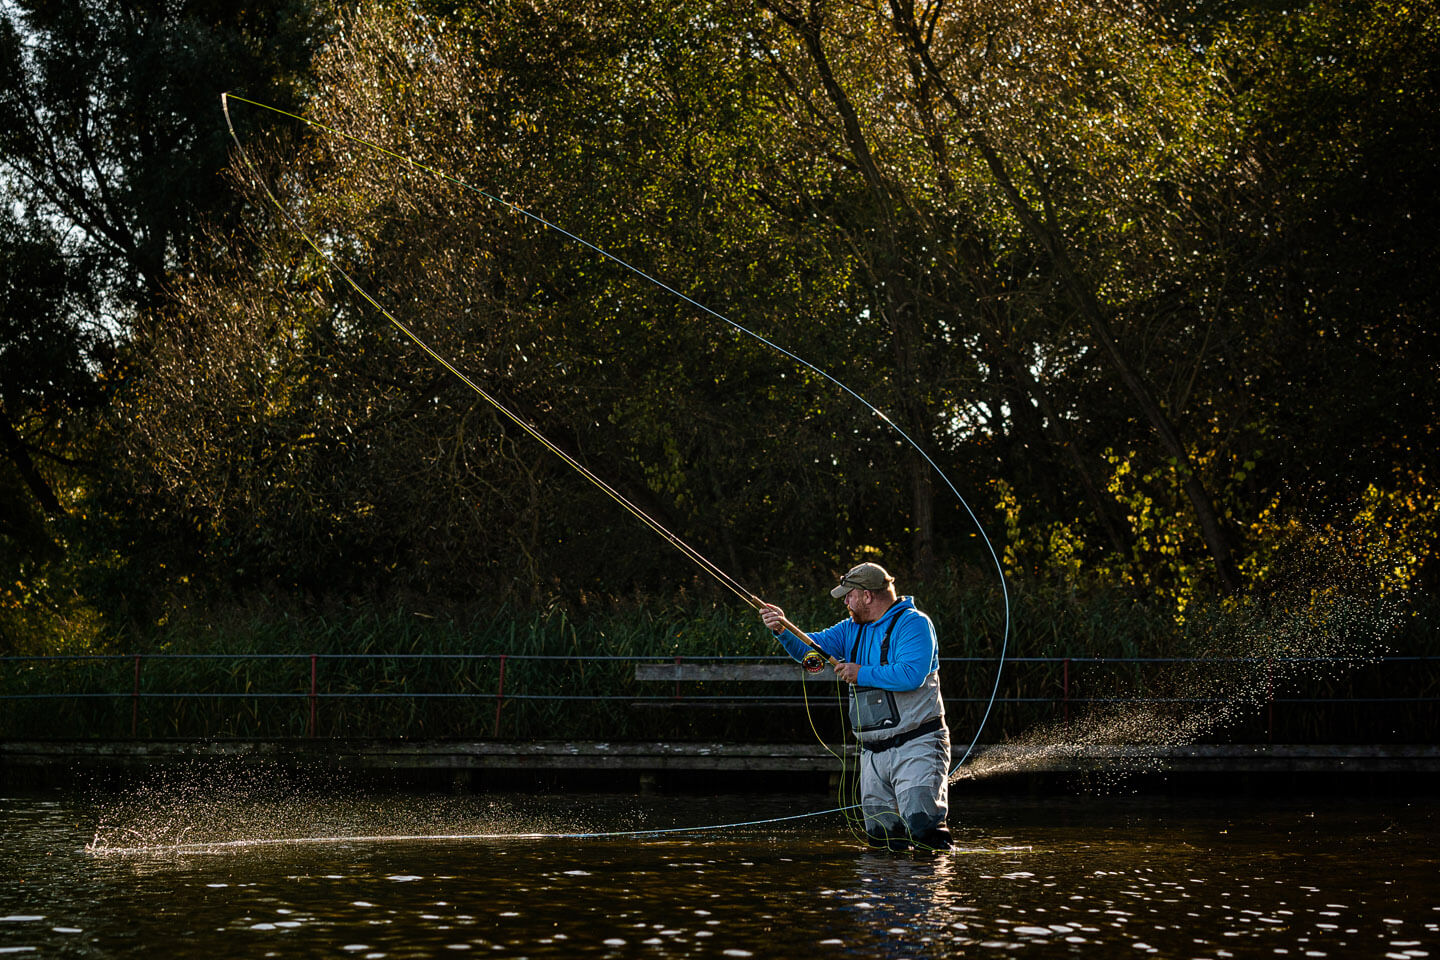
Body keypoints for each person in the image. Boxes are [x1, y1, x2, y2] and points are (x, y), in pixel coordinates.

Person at [760, 561, 952, 851]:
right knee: (881, 838)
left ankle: (927, 895)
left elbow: (911, 675)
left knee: (925, 831)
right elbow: (810, 648)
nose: (846, 602)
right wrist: (782, 629)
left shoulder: (914, 624)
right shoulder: (851, 629)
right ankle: (883, 896)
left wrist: (859, 672)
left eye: (848, 595)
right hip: (873, 754)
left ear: (867, 595)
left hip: (918, 745)